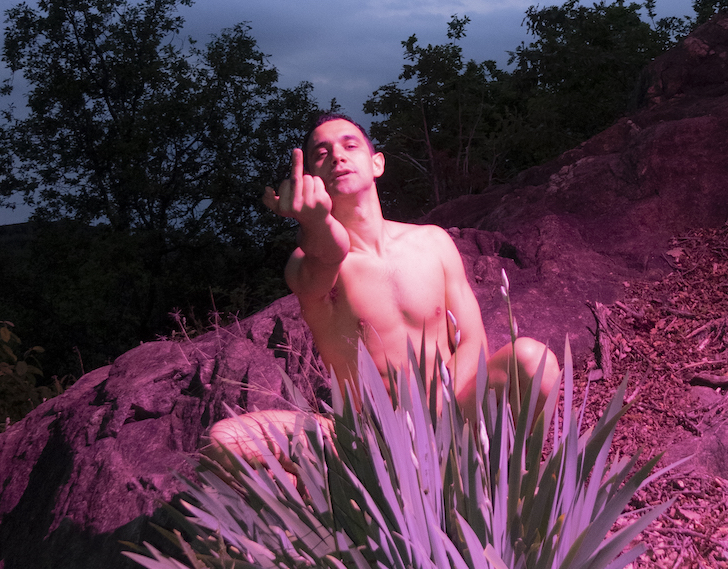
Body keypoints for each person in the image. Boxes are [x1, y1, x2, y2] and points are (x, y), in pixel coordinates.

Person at [204, 113, 559, 470]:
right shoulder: (307, 264)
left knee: (533, 359)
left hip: (454, 415)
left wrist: (437, 413)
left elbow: (472, 341)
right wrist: (315, 221)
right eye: (321, 154)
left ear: (377, 164)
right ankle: (326, 491)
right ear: (311, 180)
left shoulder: (433, 242)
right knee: (225, 440)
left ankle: (511, 479)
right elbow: (330, 252)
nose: (337, 156)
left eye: (350, 145)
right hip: (367, 439)